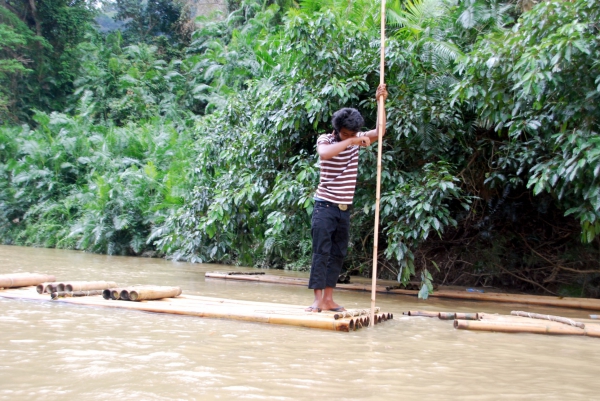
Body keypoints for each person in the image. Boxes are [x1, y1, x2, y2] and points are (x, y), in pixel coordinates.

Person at [306, 84, 388, 312]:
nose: (351, 137)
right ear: (337, 130)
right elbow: (324, 155)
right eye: (346, 134)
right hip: (324, 206)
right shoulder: (327, 140)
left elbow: (379, 131)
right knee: (321, 251)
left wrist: (381, 101)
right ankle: (317, 299)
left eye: (353, 134)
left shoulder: (355, 137)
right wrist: (352, 141)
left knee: (337, 253)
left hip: (344, 209)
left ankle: (329, 299)